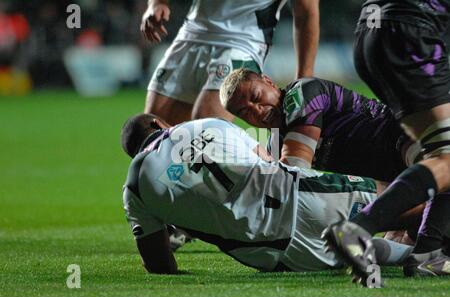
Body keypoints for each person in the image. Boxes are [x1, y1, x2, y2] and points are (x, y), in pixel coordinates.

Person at [121, 113, 421, 275]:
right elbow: (267, 160)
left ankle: (418, 258)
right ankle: (434, 229)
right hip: (299, 197)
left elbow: (160, 265)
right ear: (157, 123)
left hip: (277, 255)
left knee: (358, 251)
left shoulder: (134, 188)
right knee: (399, 199)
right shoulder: (207, 123)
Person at [325, 0, 450, 279]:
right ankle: (359, 229)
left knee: (440, 154)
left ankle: (427, 255)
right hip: (411, 30)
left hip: (371, 30)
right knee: (447, 157)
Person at [219, 69, 422, 183]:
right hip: (391, 178)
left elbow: (294, 169)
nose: (258, 110)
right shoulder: (275, 142)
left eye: (257, 97)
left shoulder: (302, 93)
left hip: (404, 134)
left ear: (269, 82)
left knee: (430, 172)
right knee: (395, 242)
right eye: (245, 112)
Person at [140, 0, 320, 125]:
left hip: (242, 42)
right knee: (152, 138)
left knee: (204, 135)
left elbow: (306, 12)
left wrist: (303, 81)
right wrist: (157, 3)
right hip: (191, 34)